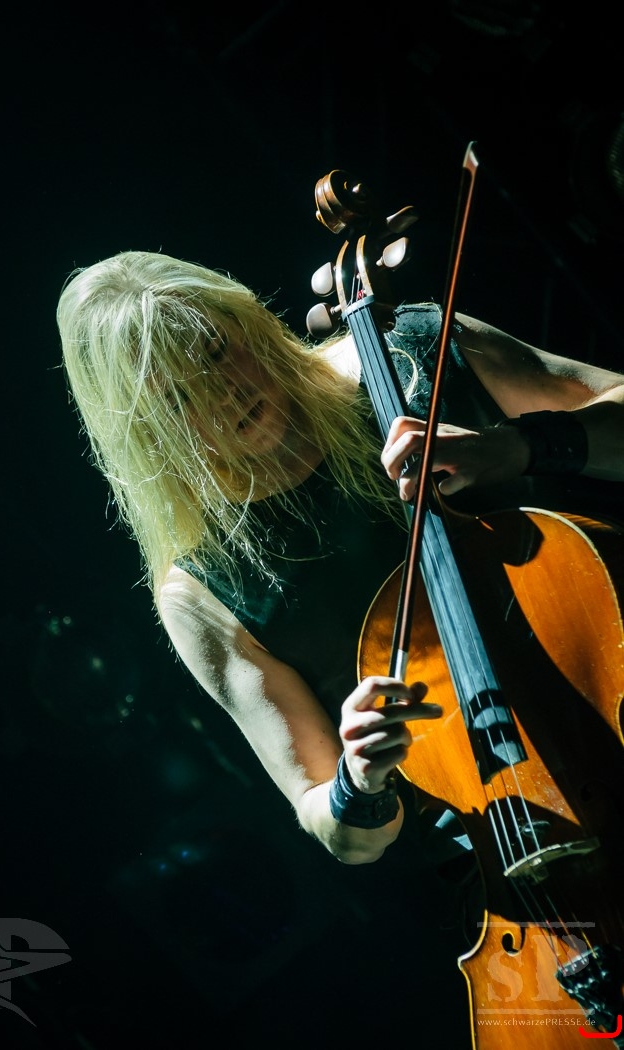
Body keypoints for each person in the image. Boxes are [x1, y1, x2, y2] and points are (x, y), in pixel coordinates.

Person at [56, 249, 624, 1045]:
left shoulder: (411, 355)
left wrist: (521, 446)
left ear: (251, 323)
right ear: (150, 433)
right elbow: (337, 830)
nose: (224, 394)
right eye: (179, 396)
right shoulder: (204, 588)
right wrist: (358, 776)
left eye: (218, 351)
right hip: (528, 884)